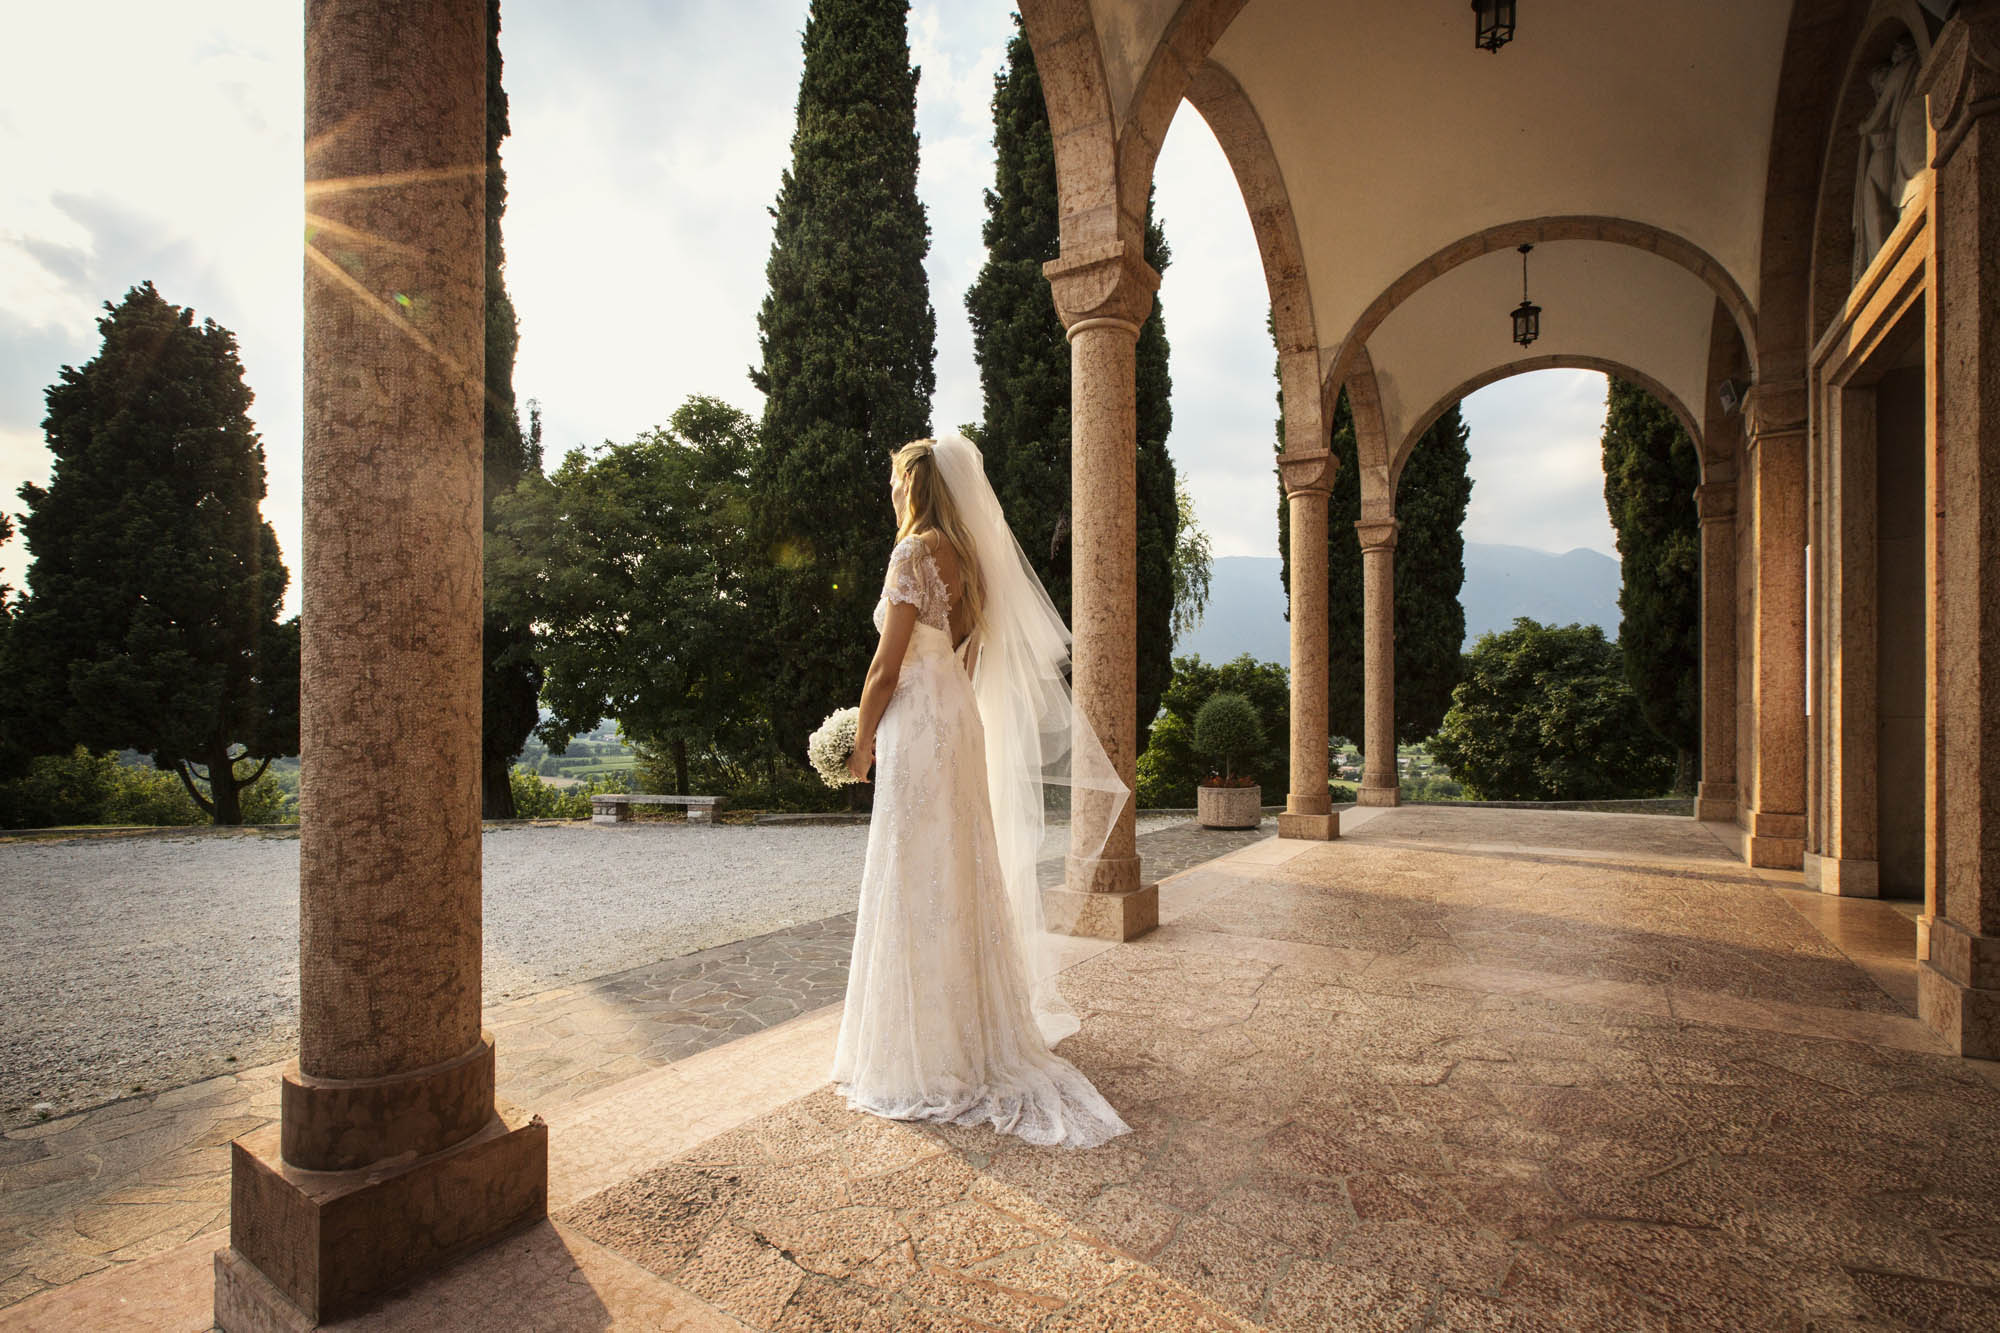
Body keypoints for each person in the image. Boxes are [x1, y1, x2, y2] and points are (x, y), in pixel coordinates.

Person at [830, 436, 1131, 1149]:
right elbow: (963, 653)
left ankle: (924, 1052)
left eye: (896, 480)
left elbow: (885, 665)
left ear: (917, 483)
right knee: (958, 869)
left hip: (917, 724)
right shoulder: (968, 559)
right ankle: (973, 1034)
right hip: (958, 719)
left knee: (914, 873)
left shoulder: (912, 554)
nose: (891, 493)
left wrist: (861, 738)